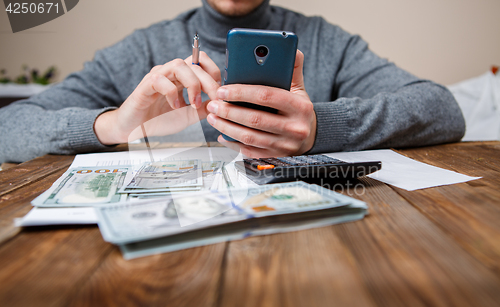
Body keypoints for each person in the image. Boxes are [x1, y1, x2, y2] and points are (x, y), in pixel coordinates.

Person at [0, 0, 465, 163]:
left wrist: (323, 128)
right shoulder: (141, 49)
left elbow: (441, 108)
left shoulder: (326, 39)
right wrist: (114, 128)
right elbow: (8, 128)